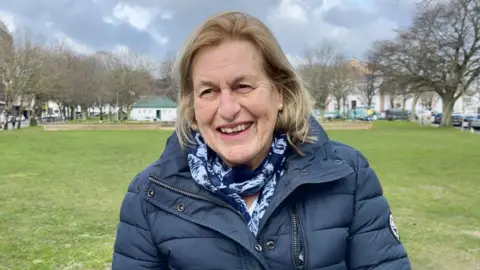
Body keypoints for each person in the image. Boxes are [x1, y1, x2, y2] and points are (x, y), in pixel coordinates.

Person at [112, 11, 411, 270]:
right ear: (192, 109)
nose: (227, 110)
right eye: (208, 91)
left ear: (280, 93)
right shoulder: (149, 195)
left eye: (243, 86)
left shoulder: (349, 175)